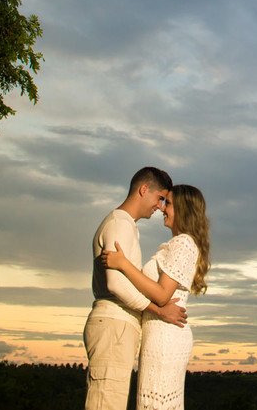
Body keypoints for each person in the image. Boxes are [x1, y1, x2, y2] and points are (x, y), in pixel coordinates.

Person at [99, 184, 211, 410]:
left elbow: (162, 295)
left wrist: (123, 264)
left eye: (168, 204)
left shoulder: (183, 243)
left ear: (183, 209)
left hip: (166, 337)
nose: (162, 208)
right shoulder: (178, 243)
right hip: (158, 333)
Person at [84, 167, 187, 410]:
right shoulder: (120, 224)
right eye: (159, 198)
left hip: (117, 327)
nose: (160, 206)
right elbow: (115, 283)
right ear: (143, 190)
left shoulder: (125, 225)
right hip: (112, 324)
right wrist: (158, 310)